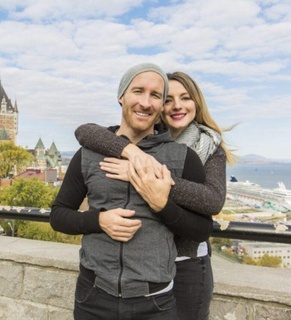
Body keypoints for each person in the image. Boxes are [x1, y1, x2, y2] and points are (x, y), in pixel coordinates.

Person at [50, 63, 214, 320]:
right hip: (93, 295)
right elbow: (58, 215)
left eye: (156, 95)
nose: (146, 102)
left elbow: (202, 230)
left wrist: (163, 206)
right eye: (138, 91)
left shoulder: (184, 158)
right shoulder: (89, 155)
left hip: (155, 303)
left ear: (161, 106)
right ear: (121, 96)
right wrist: (99, 220)